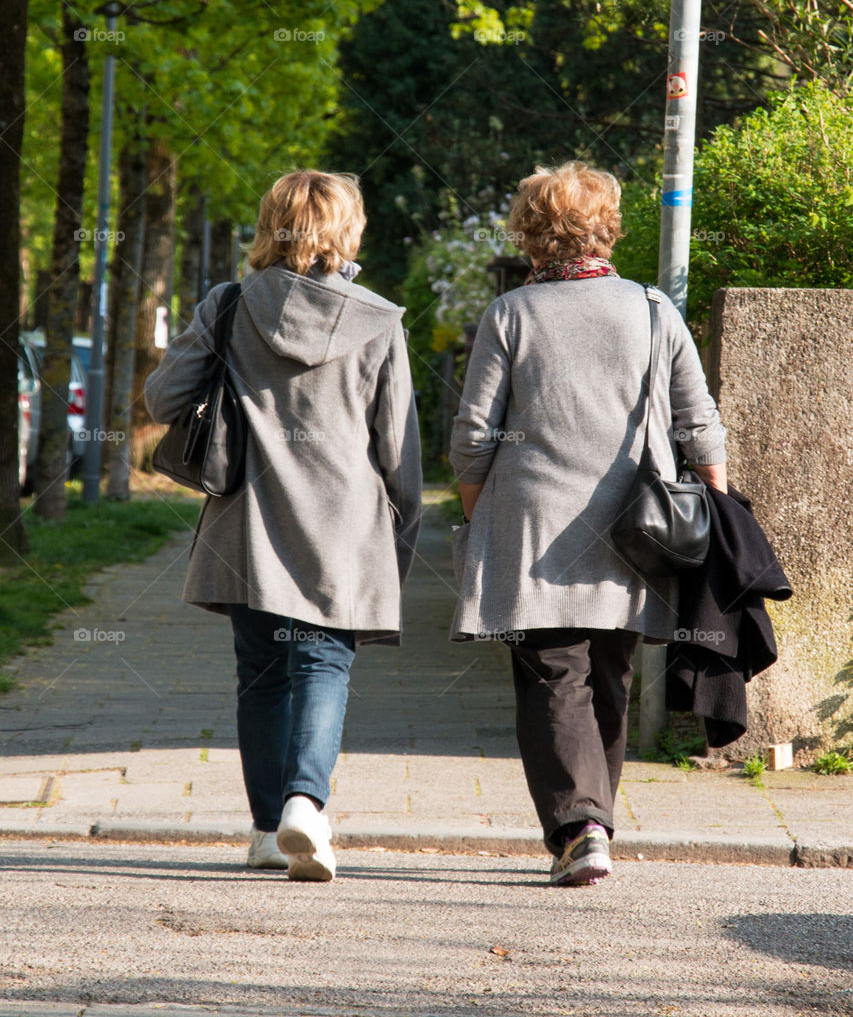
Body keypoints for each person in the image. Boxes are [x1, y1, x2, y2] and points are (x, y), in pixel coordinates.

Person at [449, 162, 727, 887]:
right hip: (638, 530)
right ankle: (593, 823)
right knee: (610, 674)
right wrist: (718, 514)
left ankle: (580, 827)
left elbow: (474, 436)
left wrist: (482, 518)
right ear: (607, 228)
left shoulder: (511, 314)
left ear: (531, 233)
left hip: (533, 527)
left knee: (552, 676)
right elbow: (699, 424)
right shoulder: (650, 309)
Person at [145, 170, 422, 880]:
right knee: (323, 665)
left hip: (247, 528)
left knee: (262, 677)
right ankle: (307, 802)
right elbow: (397, 449)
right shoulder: (379, 319)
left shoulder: (229, 305)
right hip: (343, 529)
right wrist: (403, 536)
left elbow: (162, 397)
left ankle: (269, 828)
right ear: (345, 228)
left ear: (271, 224)